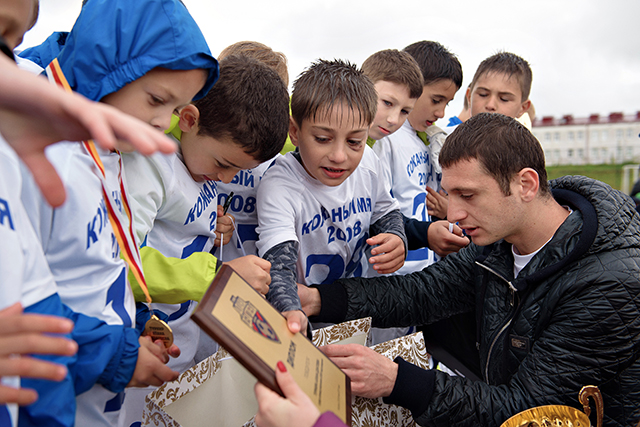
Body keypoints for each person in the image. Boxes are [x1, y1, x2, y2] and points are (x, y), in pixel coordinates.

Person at [299, 112, 640, 426]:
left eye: (468, 195)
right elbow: (421, 293)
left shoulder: (609, 283)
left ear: (526, 185)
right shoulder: (499, 239)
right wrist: (316, 300)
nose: (453, 214)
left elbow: (526, 410)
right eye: (451, 194)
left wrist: (395, 380)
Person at [16, 0, 219, 425]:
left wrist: (137, 320)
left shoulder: (108, 153)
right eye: (156, 99)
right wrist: (120, 355)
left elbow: (99, 264)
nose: (164, 122)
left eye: (176, 108)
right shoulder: (39, 154)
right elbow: (23, 301)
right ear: (107, 68)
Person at [119, 53, 289, 427]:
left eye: (238, 171)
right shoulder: (149, 166)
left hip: (178, 348)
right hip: (136, 350)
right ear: (190, 120)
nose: (226, 177)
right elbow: (121, 265)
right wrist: (220, 274)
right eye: (223, 164)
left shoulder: (198, 164)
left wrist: (213, 230)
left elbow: (179, 229)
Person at [256, 59, 407, 336]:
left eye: (354, 142)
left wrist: (397, 237)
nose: (339, 156)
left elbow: (386, 212)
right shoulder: (280, 184)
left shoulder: (370, 163)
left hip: (358, 314)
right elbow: (278, 265)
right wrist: (289, 309)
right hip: (307, 324)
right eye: (323, 138)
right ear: (295, 131)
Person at [371, 41, 463, 276]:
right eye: (436, 100)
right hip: (392, 275)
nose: (441, 112)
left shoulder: (429, 141)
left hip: (423, 270)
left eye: (447, 103)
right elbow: (376, 211)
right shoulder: (386, 138)